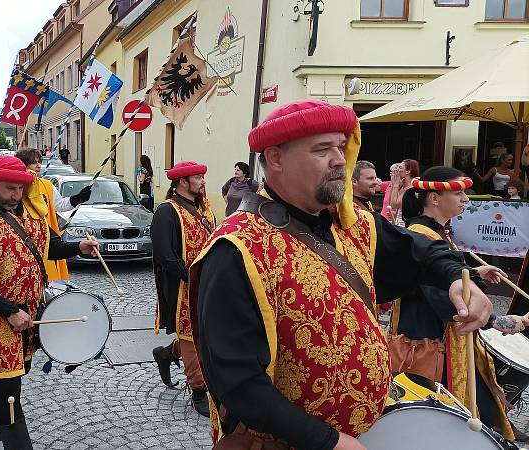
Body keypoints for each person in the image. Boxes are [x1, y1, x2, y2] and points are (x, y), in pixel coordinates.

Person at [190, 99, 495, 449]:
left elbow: (421, 251)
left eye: (339, 145)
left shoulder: (354, 225)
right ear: (275, 159)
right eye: (322, 149)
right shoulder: (236, 249)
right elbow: (238, 382)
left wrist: (457, 277)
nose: (339, 159)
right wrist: (328, 441)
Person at [0, 156, 99, 448]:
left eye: (20, 189)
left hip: (30, 311)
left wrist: (78, 246)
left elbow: (48, 246)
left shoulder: (30, 213)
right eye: (9, 189)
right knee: (9, 389)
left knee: (20, 369)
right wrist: (8, 310)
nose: (16, 195)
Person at [394, 165, 527, 440]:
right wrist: (497, 321)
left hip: (444, 334)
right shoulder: (422, 235)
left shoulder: (438, 232)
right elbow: (444, 297)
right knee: (446, 418)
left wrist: (475, 272)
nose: (466, 198)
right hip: (430, 338)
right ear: (434, 199)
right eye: (459, 193)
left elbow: (444, 279)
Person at [151, 161, 215, 417]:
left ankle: (167, 354)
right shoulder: (167, 212)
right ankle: (198, 390)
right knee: (191, 337)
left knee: (205, 333)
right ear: (182, 183)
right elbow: (165, 256)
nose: (202, 181)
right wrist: (193, 278)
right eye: (197, 178)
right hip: (182, 287)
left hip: (206, 283)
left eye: (202, 177)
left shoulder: (203, 208)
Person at [15, 148, 91, 281]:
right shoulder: (18, 187)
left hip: (48, 238)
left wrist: (78, 198)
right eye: (34, 163)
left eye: (39, 162)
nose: (38, 165)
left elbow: (60, 205)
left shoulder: (47, 185)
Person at [388, 158, 420, 226]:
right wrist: (394, 184)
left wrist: (396, 184)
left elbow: (394, 205)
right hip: (398, 223)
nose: (397, 170)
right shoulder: (402, 185)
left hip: (406, 225)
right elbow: (390, 203)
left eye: (400, 167)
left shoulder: (411, 188)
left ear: (408, 171)